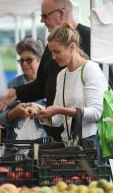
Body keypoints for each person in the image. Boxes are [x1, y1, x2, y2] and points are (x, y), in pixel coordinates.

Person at [0, 0, 90, 141]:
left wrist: (58, 110)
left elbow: (100, 102)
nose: (42, 20)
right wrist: (16, 92)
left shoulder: (91, 39)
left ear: (61, 13)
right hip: (57, 133)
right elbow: (41, 84)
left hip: (84, 134)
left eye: (45, 16)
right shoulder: (50, 48)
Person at [33, 23, 108, 164]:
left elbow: (97, 112)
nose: (53, 57)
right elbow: (58, 121)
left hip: (91, 145)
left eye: (57, 52)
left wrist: (58, 109)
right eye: (51, 52)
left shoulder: (90, 70)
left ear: (72, 47)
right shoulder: (62, 75)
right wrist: (41, 114)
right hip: (71, 146)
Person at [0, 37, 46, 140]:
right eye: (21, 60)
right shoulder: (12, 86)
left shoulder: (49, 85)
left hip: (44, 142)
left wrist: (40, 111)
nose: (24, 64)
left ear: (39, 60)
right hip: (16, 144)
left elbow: (58, 118)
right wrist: (14, 113)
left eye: (29, 60)